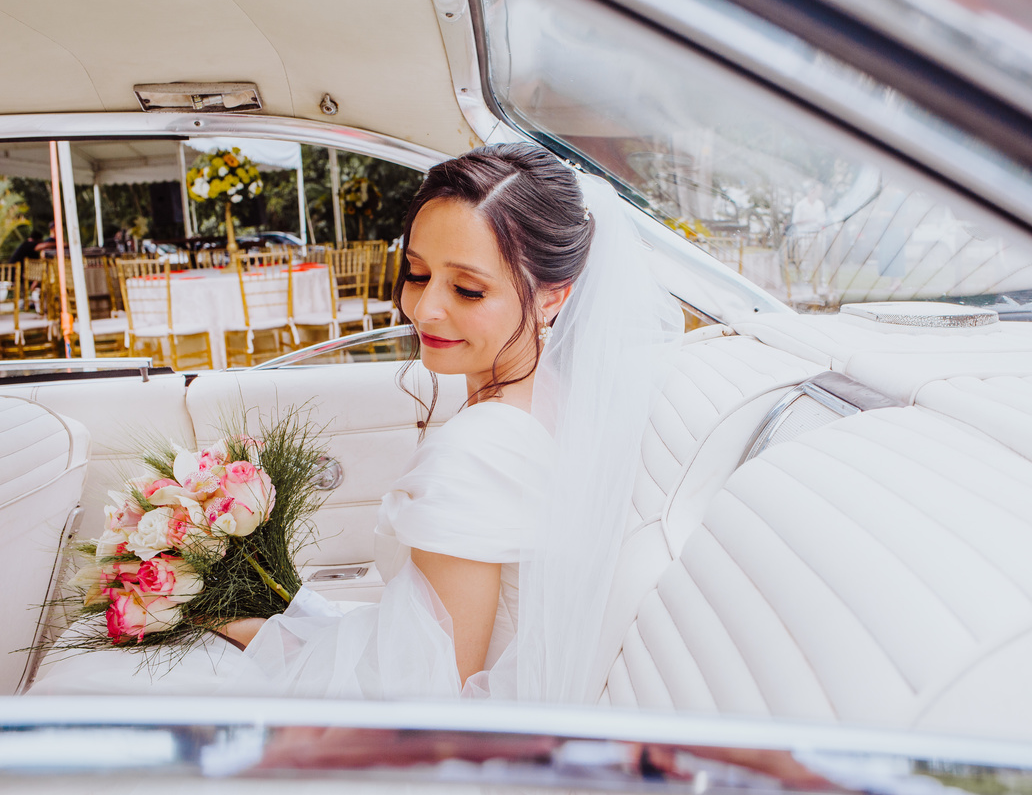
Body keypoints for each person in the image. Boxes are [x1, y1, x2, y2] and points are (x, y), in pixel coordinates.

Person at [28, 143, 682, 702]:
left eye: (468, 289)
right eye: (417, 274)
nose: (424, 309)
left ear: (554, 295)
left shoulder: (482, 447)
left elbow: (433, 688)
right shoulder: (555, 402)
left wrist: (257, 636)